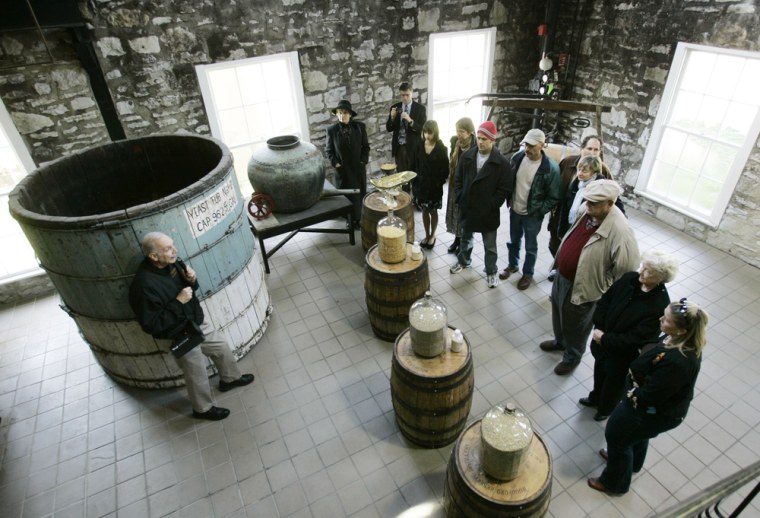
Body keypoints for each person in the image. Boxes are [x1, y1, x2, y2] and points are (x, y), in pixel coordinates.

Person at [588, 298, 709, 495]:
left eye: (667, 319)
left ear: (682, 330)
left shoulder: (679, 362)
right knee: (636, 436)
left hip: (651, 411)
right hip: (650, 409)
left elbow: (650, 396)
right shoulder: (676, 339)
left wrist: (629, 391)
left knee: (617, 436)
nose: (661, 319)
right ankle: (632, 463)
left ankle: (614, 483)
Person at [129, 232, 254, 421]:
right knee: (196, 372)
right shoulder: (143, 285)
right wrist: (178, 302)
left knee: (221, 347)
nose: (175, 251)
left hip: (195, 320)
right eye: (168, 248)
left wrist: (192, 280)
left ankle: (230, 379)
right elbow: (151, 324)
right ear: (153, 256)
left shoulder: (173, 263)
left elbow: (190, 290)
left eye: (173, 245)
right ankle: (202, 409)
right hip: (179, 333)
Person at [540, 179, 640, 375]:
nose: (588, 205)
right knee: (558, 312)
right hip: (563, 276)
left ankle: (572, 356)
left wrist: (604, 286)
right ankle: (560, 342)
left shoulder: (621, 231)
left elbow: (627, 270)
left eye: (594, 203)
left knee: (577, 325)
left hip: (585, 286)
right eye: (587, 201)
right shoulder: (589, 211)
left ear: (610, 204)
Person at [581, 249, 678, 421]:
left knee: (614, 384)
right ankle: (595, 397)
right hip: (602, 344)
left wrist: (604, 338)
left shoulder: (659, 305)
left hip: (621, 355)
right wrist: (600, 327)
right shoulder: (629, 279)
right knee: (599, 372)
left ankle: (605, 409)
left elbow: (636, 338)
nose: (641, 271)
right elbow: (605, 301)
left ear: (660, 278)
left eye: (648, 271)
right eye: (643, 266)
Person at [449, 121, 513, 289]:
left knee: (490, 245)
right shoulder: (467, 156)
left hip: (487, 211)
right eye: (478, 138)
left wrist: (493, 204)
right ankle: (464, 261)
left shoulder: (501, 163)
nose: (480, 142)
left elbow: (505, 187)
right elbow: (458, 179)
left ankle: (491, 271)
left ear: (492, 140)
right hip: (468, 206)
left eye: (484, 139)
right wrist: (462, 196)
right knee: (465, 239)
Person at [499, 128, 561, 290]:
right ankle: (513, 265)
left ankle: (528, 273)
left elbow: (554, 197)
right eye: (526, 144)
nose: (527, 149)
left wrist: (539, 210)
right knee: (513, 241)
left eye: (532, 146)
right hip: (515, 210)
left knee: (531, 246)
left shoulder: (551, 169)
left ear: (542, 145)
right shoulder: (517, 158)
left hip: (532, 215)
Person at [547, 135, 612, 280]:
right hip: (561, 215)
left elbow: (612, 197)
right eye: (589, 148)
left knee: (574, 250)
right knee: (554, 245)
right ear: (581, 149)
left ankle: (563, 272)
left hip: (583, 223)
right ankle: (558, 266)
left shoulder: (604, 172)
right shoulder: (568, 162)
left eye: (596, 150)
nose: (592, 153)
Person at [326, 100, 370, 228]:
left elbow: (366, 147)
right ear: (337, 115)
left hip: (357, 168)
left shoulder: (360, 127)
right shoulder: (332, 130)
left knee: (359, 194)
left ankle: (359, 218)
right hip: (343, 170)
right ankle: (350, 220)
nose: (342, 116)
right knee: (347, 196)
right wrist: (337, 164)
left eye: (345, 113)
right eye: (339, 113)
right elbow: (329, 151)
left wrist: (363, 161)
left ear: (350, 114)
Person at [412, 120, 449, 249]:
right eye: (425, 132)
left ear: (435, 133)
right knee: (424, 210)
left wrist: (439, 182)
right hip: (421, 186)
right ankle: (426, 235)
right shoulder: (418, 145)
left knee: (433, 211)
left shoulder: (441, 148)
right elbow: (413, 165)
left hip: (434, 188)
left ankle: (433, 235)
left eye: (430, 133)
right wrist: (414, 182)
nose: (427, 135)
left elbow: (445, 169)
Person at [445, 117, 477, 255]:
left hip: (467, 188)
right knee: (455, 215)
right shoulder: (455, 142)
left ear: (470, 132)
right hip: (455, 185)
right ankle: (457, 240)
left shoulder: (476, 147)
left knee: (465, 218)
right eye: (457, 131)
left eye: (462, 131)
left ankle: (465, 245)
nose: (458, 134)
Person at [386, 82, 427, 175]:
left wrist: (411, 121)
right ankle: (405, 190)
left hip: (414, 148)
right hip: (400, 148)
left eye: (407, 95)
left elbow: (423, 129)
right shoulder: (394, 107)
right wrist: (392, 118)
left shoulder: (420, 109)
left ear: (412, 92)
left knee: (415, 176)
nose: (405, 98)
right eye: (402, 95)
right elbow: (389, 128)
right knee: (402, 177)